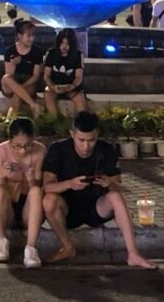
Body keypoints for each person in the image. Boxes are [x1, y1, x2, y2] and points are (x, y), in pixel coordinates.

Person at [42, 110, 156, 268]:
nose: (86, 146)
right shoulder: (58, 150)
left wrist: (109, 183)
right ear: (72, 134)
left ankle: (133, 254)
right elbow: (47, 187)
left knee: (116, 197)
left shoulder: (107, 150)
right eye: (81, 140)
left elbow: (120, 188)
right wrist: (70, 184)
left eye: (91, 140)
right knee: (48, 201)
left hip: (97, 207)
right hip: (66, 209)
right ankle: (67, 247)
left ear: (97, 135)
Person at [0, 117, 45, 267]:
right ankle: (1, 240)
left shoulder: (40, 151)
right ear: (10, 141)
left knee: (37, 192)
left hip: (28, 206)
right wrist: (3, 174)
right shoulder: (2, 149)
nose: (22, 150)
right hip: (8, 206)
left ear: (34, 139)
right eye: (17, 146)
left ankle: (31, 248)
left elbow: (38, 185)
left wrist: (31, 178)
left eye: (27, 145)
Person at [1, 19, 44, 116]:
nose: (32, 38)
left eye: (33, 35)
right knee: (6, 78)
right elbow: (9, 75)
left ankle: (10, 121)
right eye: (28, 36)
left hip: (28, 83)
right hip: (12, 83)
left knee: (17, 96)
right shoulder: (9, 51)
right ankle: (33, 105)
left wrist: (20, 88)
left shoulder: (37, 52)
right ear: (19, 36)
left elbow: (36, 76)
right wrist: (13, 65)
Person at [42, 28, 86, 116]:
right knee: (48, 95)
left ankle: (81, 123)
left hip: (72, 87)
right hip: (54, 87)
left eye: (67, 44)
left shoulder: (78, 55)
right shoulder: (51, 53)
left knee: (80, 100)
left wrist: (72, 86)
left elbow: (79, 76)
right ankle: (55, 122)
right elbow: (46, 75)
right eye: (62, 43)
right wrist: (52, 87)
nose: (64, 46)